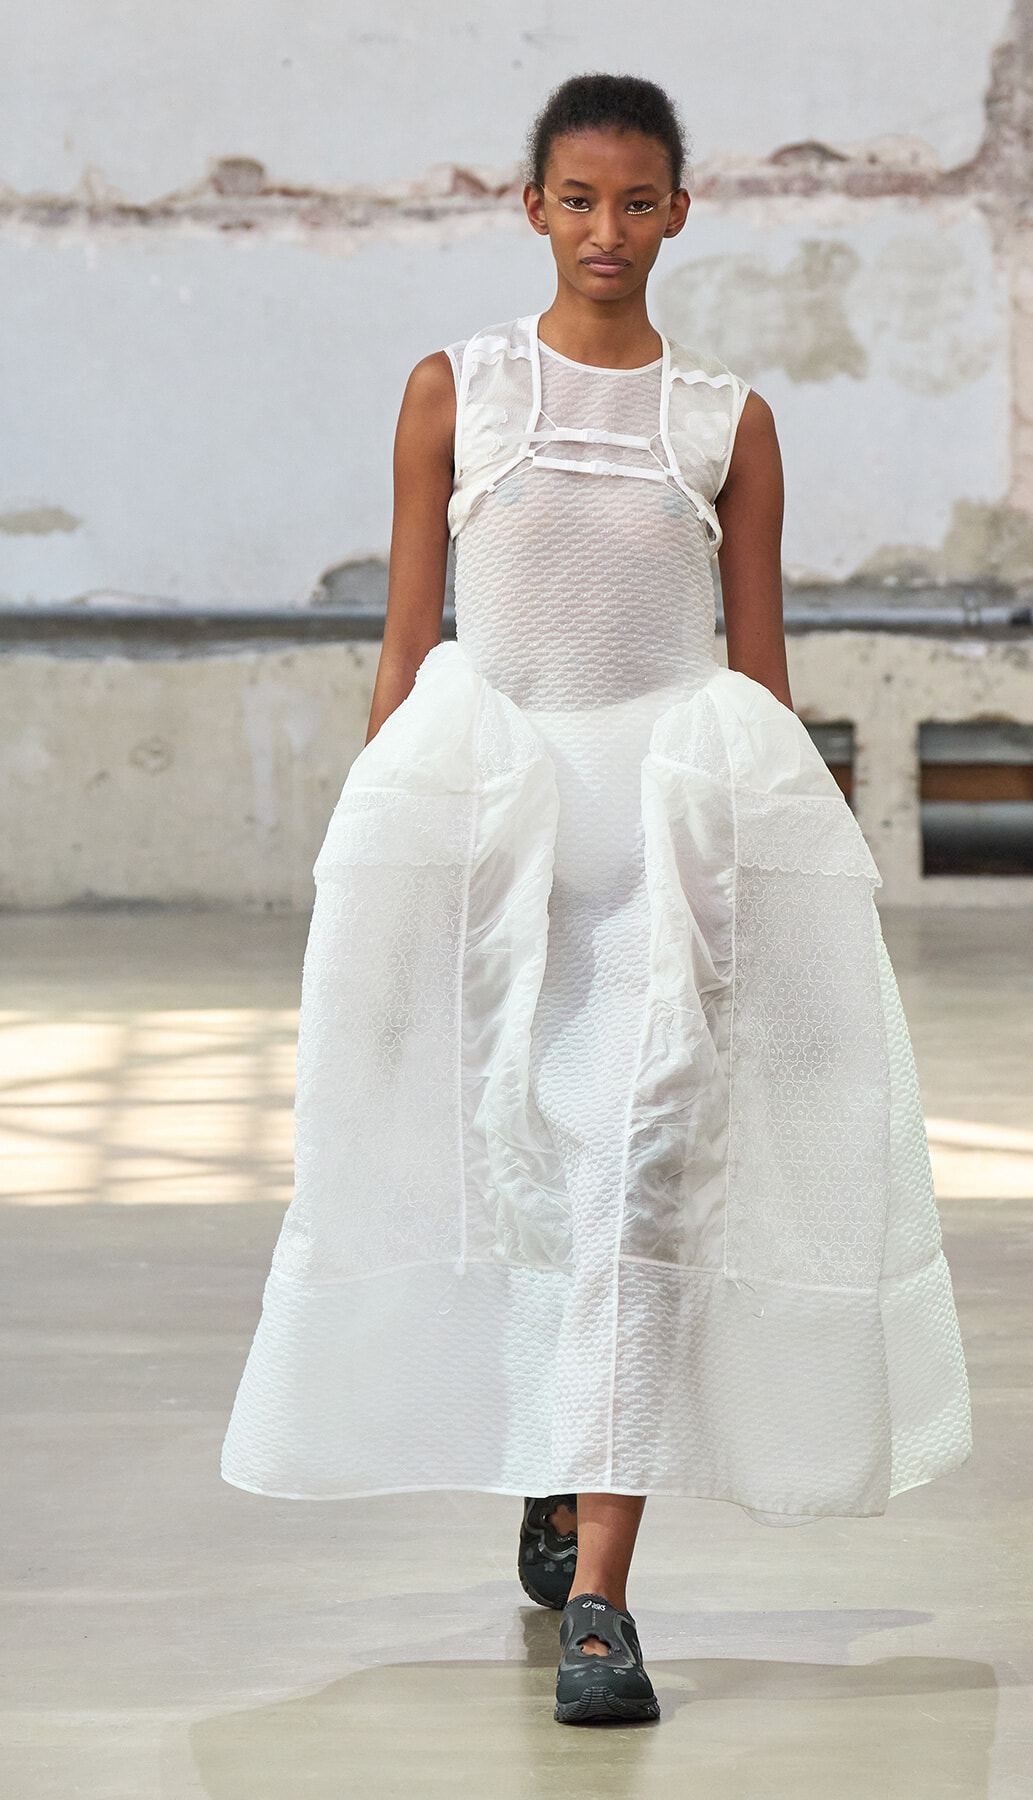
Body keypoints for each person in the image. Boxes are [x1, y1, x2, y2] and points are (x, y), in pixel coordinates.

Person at [221, 73, 972, 1727]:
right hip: (495, 831)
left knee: (640, 1172)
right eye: (578, 200)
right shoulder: (457, 393)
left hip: (667, 838)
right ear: (534, 207)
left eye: (638, 202)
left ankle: (605, 1609)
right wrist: (382, 877)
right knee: (519, 1174)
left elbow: (759, 675)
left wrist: (790, 898)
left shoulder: (727, 423)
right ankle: (559, 1471)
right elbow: (407, 653)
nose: (608, 231)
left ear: (680, 214)